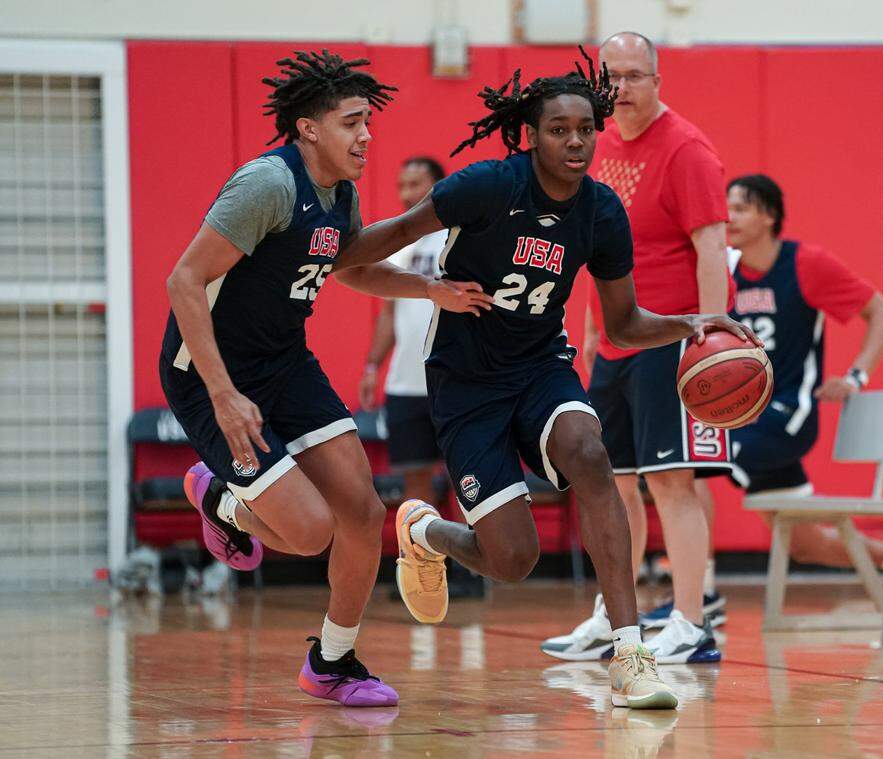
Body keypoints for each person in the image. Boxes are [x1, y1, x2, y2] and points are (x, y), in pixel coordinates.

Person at [333, 49, 759, 709]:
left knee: (592, 455)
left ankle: (630, 653)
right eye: (559, 129)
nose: (575, 141)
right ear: (533, 135)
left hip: (540, 366)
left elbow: (622, 325)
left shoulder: (601, 212)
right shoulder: (486, 187)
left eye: (586, 128)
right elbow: (381, 243)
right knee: (513, 558)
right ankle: (423, 530)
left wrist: (694, 323)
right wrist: (329, 253)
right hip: (466, 381)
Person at [161, 50, 490, 707]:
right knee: (309, 531)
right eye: (351, 122)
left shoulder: (340, 193)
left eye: (367, 121)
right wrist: (224, 394)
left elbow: (351, 269)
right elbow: (184, 280)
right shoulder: (267, 186)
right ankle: (220, 499)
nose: (366, 135)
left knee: (364, 512)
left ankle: (332, 661)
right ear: (309, 129)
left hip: (285, 362)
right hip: (211, 373)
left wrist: (432, 290)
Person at [543, 31, 733, 665]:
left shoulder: (687, 150)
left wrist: (709, 332)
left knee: (672, 483)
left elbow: (710, 247)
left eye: (633, 76)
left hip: (670, 340)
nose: (620, 88)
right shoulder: (593, 147)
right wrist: (592, 332)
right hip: (617, 343)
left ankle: (689, 620)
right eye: (610, 77)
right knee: (612, 485)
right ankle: (615, 618)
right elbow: (601, 254)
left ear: (658, 81)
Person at [724, 174, 883, 615]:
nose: (728, 216)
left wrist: (856, 376)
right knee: (806, 544)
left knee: (696, 458)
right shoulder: (725, 271)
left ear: (769, 216)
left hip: (790, 416)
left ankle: (699, 601)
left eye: (741, 207)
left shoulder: (805, 263)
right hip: (748, 417)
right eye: (726, 206)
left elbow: (881, 314)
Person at [358, 156, 449, 505]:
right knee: (417, 486)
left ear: (438, 188)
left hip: (453, 380)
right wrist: (371, 367)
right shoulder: (398, 243)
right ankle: (425, 559)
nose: (407, 193)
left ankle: (477, 559)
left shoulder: (457, 239)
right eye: (402, 185)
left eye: (416, 184)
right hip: (406, 385)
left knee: (470, 479)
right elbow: (389, 312)